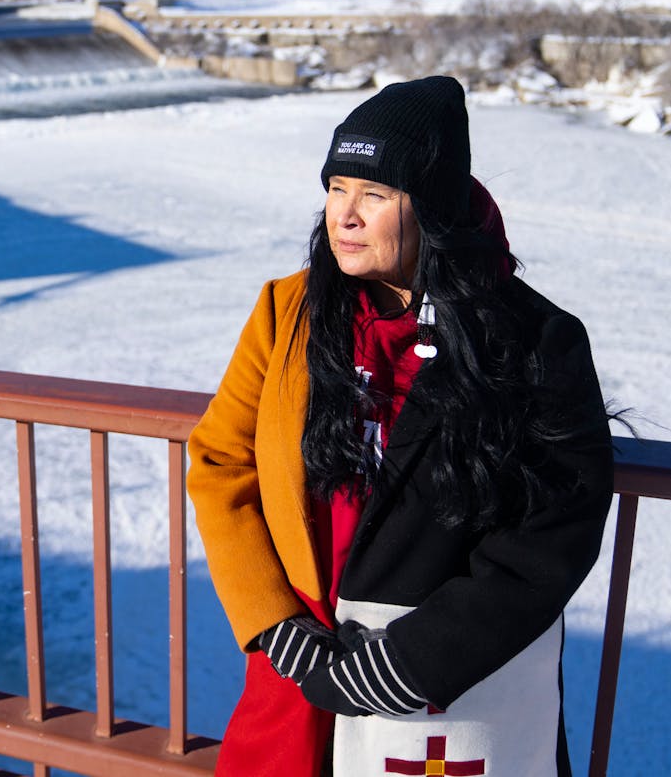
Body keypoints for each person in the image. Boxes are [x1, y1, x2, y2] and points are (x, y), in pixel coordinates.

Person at [187, 75, 614, 777]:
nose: (344, 216)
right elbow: (218, 463)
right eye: (336, 188)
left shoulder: (534, 338)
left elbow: (554, 531)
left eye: (375, 194)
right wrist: (271, 622)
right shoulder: (287, 313)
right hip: (301, 675)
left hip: (437, 701)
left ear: (435, 208)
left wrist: (414, 661)